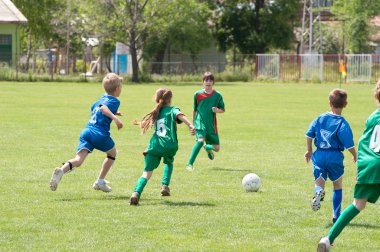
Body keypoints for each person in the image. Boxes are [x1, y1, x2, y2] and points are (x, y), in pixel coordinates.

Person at [317, 81, 380, 252]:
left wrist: (362, 170)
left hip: (369, 165)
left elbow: (364, 144)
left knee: (357, 204)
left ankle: (328, 239)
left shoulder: (373, 117)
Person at [49, 73, 123, 193]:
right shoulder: (115, 101)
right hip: (99, 134)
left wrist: (114, 112)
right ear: (117, 89)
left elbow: (95, 107)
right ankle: (100, 181)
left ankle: (61, 171)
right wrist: (115, 119)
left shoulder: (101, 99)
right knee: (113, 154)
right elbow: (103, 108)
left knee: (78, 161)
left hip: (87, 132)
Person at [130, 88, 195, 205]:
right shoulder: (173, 109)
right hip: (170, 145)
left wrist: (140, 123)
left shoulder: (156, 111)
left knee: (146, 173)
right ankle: (165, 186)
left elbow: (149, 122)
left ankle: (136, 193)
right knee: (168, 163)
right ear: (169, 100)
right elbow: (180, 115)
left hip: (155, 146)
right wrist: (190, 125)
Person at [305, 88, 357, 223]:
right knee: (337, 186)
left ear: (330, 103)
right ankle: (336, 216)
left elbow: (309, 135)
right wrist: (354, 155)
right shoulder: (342, 123)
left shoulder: (320, 118)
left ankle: (318, 191)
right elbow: (349, 145)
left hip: (319, 155)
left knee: (319, 181)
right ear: (345, 105)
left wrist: (309, 150)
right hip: (334, 156)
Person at [185, 72, 225, 172]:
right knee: (200, 140)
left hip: (211, 125)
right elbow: (195, 109)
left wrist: (217, 110)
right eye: (206, 80)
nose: (208, 82)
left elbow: (223, 109)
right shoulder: (197, 94)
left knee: (217, 148)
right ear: (203, 82)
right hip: (199, 122)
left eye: (210, 80)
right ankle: (189, 164)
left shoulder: (218, 95)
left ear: (213, 83)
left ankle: (207, 147)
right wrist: (193, 124)